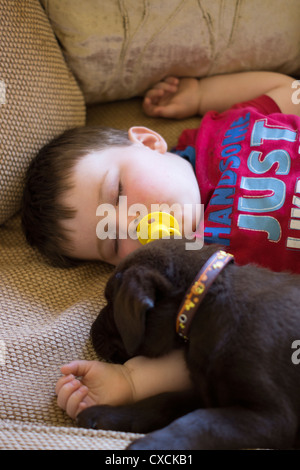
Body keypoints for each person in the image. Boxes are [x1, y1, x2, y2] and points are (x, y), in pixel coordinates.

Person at [22, 71, 300, 419]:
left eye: (118, 193)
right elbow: (210, 352)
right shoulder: (198, 277)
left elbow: (287, 91)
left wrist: (202, 93)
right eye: (112, 242)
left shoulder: (228, 133)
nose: (133, 224)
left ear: (150, 143)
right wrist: (131, 382)